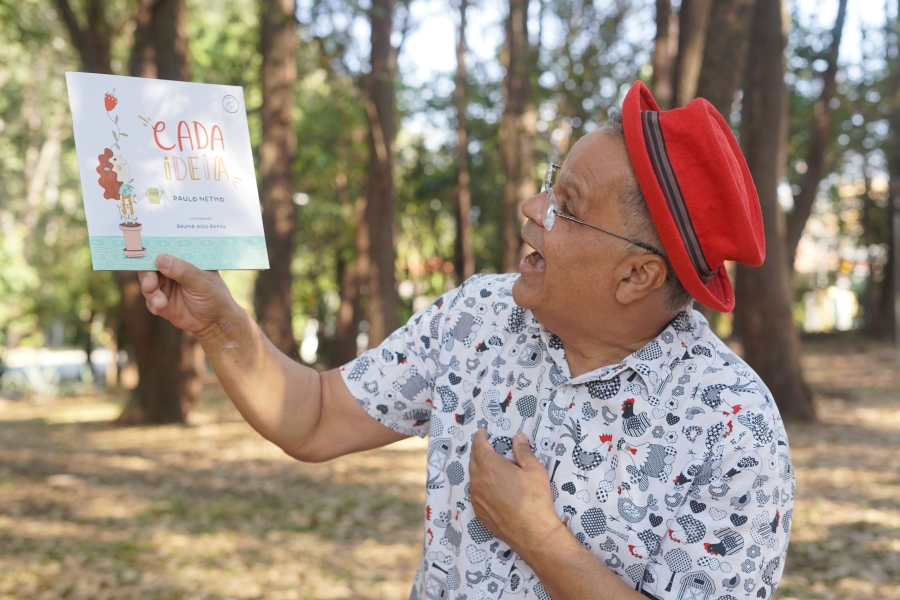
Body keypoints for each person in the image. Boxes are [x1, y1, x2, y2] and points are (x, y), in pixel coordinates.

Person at [138, 81, 793, 600]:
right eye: (549, 182)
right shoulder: (480, 316)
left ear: (636, 275)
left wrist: (542, 540)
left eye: (567, 205)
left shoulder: (735, 429)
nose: (533, 208)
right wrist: (218, 323)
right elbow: (312, 417)